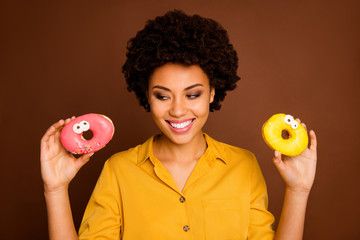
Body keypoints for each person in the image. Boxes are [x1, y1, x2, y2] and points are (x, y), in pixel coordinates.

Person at [40, 10, 317, 240]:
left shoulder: (244, 166)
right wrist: (55, 190)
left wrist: (298, 190)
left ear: (212, 92)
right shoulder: (118, 171)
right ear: (146, 95)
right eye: (162, 95)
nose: (178, 109)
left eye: (193, 94)